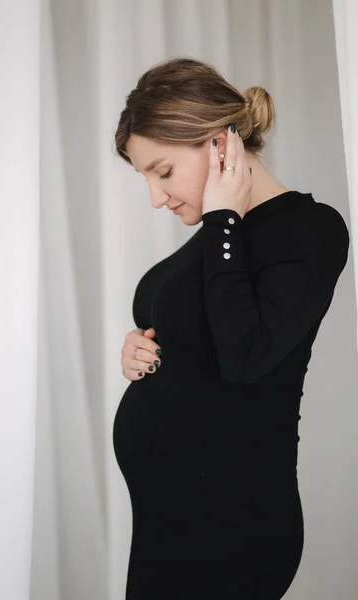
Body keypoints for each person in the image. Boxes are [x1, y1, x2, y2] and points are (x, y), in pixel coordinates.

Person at [112, 57, 350, 599]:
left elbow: (246, 355)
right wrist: (142, 343)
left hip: (232, 526)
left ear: (221, 144)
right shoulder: (219, 233)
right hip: (167, 525)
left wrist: (223, 219)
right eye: (144, 177)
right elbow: (193, 324)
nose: (155, 197)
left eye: (163, 171)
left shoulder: (309, 230)